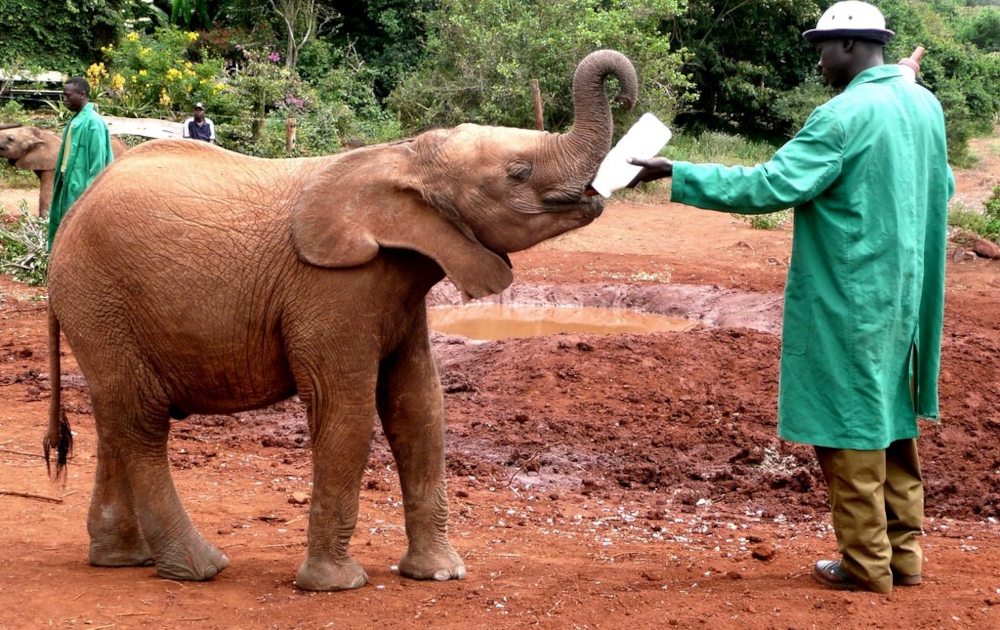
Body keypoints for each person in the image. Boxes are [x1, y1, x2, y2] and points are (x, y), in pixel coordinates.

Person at [628, 0, 954, 594]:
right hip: (904, 294)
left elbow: (771, 185)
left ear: (849, 46)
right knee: (891, 416)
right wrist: (902, 79)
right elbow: (941, 180)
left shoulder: (842, 114)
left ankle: (866, 565)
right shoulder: (922, 103)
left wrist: (676, 171)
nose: (819, 61)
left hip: (848, 295)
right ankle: (903, 556)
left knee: (848, 422)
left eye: (822, 48)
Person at [48, 76, 115, 249]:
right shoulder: (76, 120)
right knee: (64, 227)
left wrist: (89, 195)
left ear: (82, 95)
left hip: (81, 187)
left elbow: (98, 164)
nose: (64, 100)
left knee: (77, 232)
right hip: (68, 183)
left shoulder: (93, 122)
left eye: (68, 95)